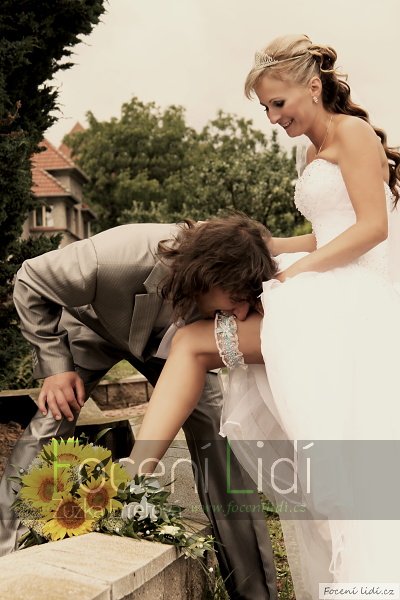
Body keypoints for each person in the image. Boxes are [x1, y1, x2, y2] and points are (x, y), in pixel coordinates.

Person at [122, 34, 400, 599]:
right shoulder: (314, 151)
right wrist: (272, 248)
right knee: (193, 341)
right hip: (327, 284)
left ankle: (132, 482)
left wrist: (292, 279)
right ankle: (135, 479)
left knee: (193, 342)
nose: (273, 118)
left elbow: (374, 228)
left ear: (313, 87)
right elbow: (327, 233)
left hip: (349, 300)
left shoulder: (352, 132)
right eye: (266, 108)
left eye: (278, 103)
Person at [0, 214, 279, 600]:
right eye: (237, 300)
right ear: (208, 276)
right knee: (52, 418)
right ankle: (7, 554)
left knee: (220, 437)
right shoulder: (110, 259)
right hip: (94, 328)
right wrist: (55, 367)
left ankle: (254, 591)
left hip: (180, 347)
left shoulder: (239, 257)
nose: (243, 314)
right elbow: (31, 278)